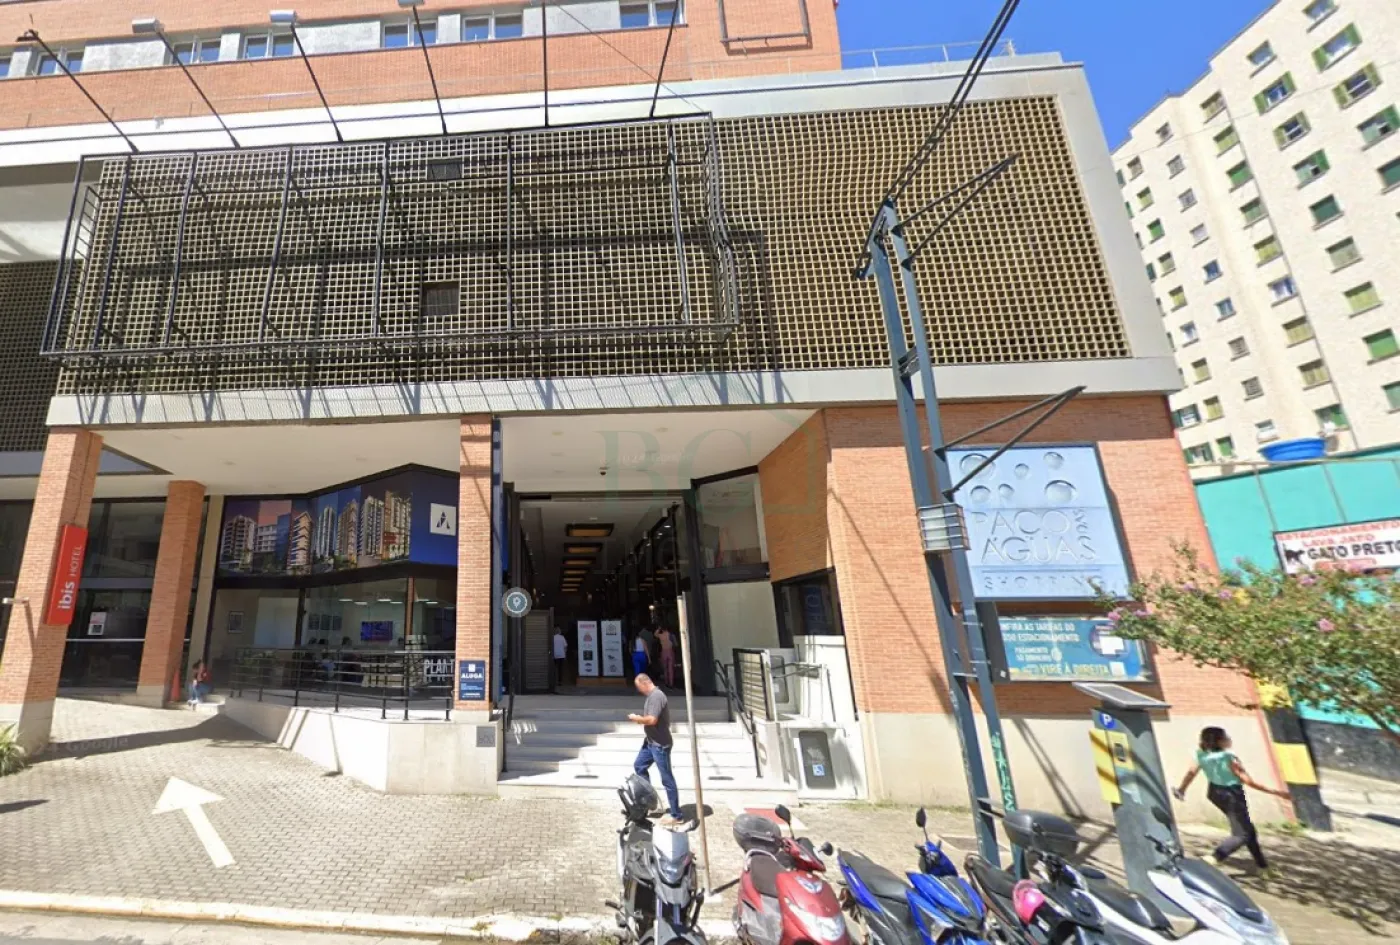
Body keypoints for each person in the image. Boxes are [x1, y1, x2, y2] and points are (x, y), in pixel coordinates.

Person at [1174, 726, 1288, 873]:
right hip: (1232, 796)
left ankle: (1263, 867)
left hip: (1215, 793)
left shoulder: (1201, 755)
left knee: (1248, 830)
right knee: (1241, 834)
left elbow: (1191, 773)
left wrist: (1182, 789)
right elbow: (1248, 781)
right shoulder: (1230, 758)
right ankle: (1213, 858)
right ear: (1220, 741)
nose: (1229, 739)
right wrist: (1277, 793)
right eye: (1226, 737)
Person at [629, 673, 683, 826]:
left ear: (644, 683)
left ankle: (676, 815)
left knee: (667, 778)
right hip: (650, 742)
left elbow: (652, 720)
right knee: (639, 765)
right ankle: (648, 801)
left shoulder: (656, 696)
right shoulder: (652, 697)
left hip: (660, 744)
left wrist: (637, 719)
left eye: (639, 687)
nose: (639, 691)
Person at [552, 627, 569, 692]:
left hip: (555, 655)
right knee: (560, 669)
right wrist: (565, 655)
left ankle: (553, 681)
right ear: (559, 631)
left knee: (554, 668)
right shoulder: (562, 637)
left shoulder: (552, 637)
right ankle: (560, 682)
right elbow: (565, 646)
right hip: (561, 655)